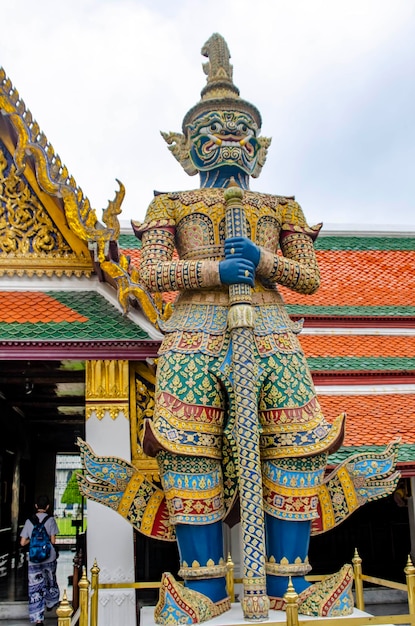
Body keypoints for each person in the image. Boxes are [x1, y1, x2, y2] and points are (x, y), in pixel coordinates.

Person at [132, 34, 355, 623]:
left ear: (259, 146)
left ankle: (288, 578)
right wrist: (212, 269)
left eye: (240, 125)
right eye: (213, 124)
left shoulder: (283, 208)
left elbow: (307, 276)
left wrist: (260, 260)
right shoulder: (169, 206)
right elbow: (152, 271)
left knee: (296, 446)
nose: (229, 132)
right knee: (187, 451)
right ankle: (205, 586)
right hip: (195, 332)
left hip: (272, 330)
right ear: (187, 146)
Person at [20, 494, 60, 625]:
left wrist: (34, 540)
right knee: (50, 580)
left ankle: (38, 619)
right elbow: (53, 540)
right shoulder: (51, 520)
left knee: (35, 588)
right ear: (48, 507)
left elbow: (22, 542)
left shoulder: (28, 521)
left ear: (36, 506)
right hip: (49, 557)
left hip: (34, 558)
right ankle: (50, 602)